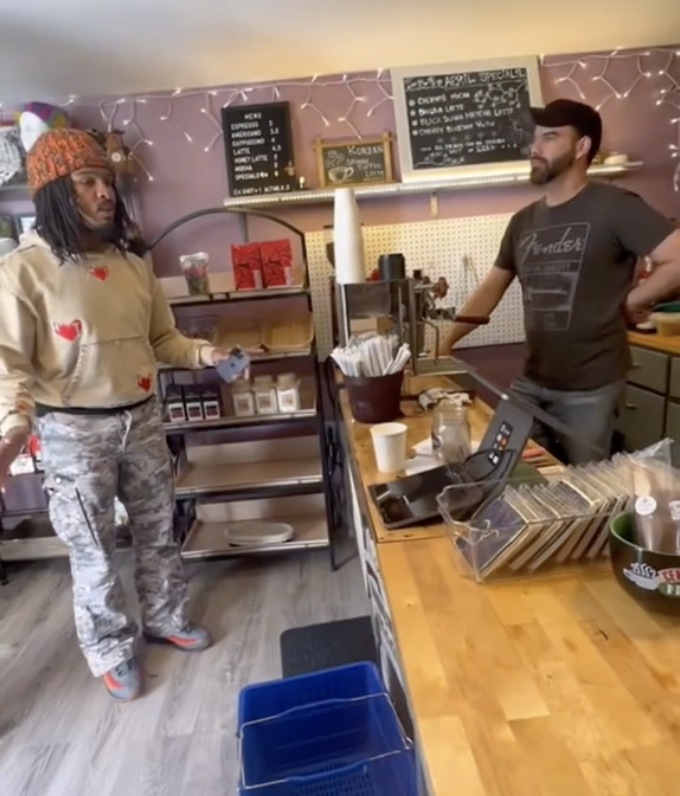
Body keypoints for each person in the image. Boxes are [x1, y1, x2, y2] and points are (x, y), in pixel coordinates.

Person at [0, 128, 240, 701]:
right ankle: (109, 649)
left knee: (159, 531)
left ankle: (165, 618)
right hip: (72, 431)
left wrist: (209, 354)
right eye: (87, 182)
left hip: (144, 417)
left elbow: (164, 339)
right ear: (57, 192)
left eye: (106, 182)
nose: (104, 193)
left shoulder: (133, 266)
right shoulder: (21, 272)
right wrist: (10, 437)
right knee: (93, 549)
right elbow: (8, 368)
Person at [439, 99, 680, 464]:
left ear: (582, 147)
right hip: (532, 382)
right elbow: (491, 287)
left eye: (550, 137)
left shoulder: (616, 205)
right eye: (535, 138)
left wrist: (627, 303)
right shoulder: (523, 221)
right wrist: (443, 347)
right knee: (504, 470)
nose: (534, 148)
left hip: (591, 389)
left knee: (585, 491)